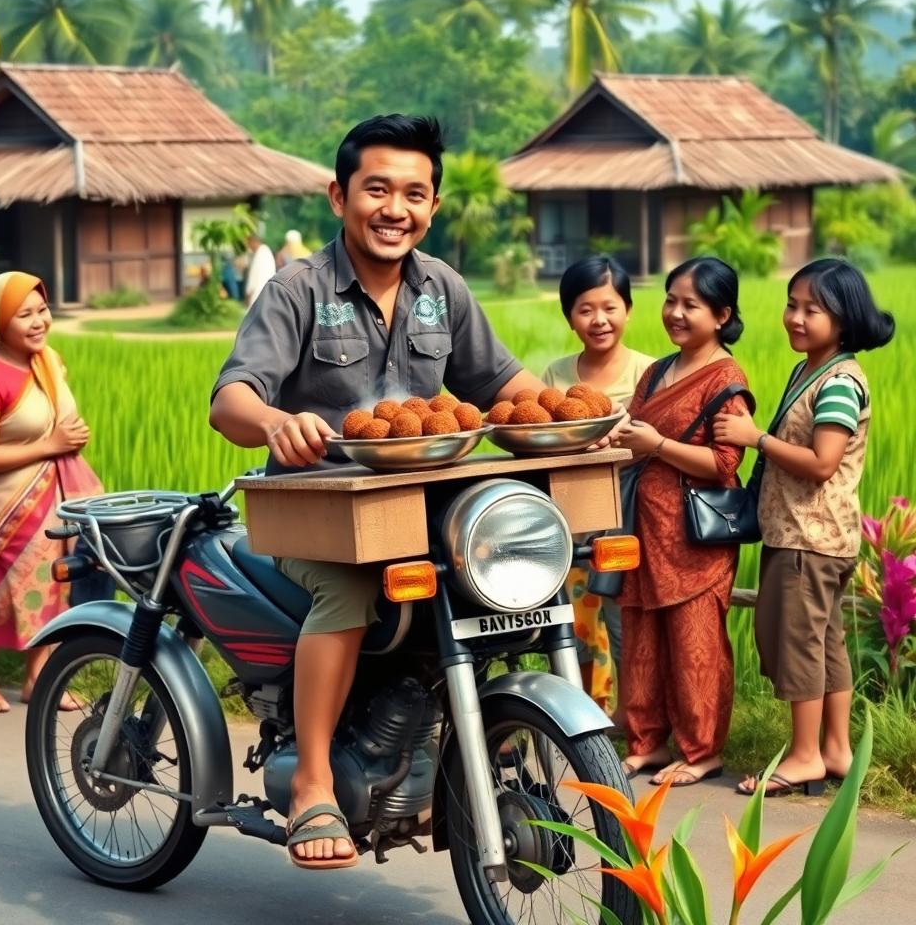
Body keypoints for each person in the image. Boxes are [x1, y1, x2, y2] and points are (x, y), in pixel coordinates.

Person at [209, 114, 546, 868]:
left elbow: (503, 384)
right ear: (339, 196)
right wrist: (272, 421)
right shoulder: (298, 291)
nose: (397, 208)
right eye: (378, 189)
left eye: (415, 193)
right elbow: (229, 399)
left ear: (433, 206)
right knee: (352, 594)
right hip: (313, 519)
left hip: (419, 516)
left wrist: (572, 415)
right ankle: (315, 786)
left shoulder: (442, 290)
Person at [714, 259, 894, 797]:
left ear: (843, 319)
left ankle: (803, 755)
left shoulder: (838, 381)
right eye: (792, 304)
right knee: (825, 644)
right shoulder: (812, 369)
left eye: (811, 309)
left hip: (807, 540)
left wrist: (753, 438)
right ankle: (835, 749)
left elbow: (821, 461)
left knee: (797, 645)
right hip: (818, 538)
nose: (795, 317)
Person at [0, 271, 103, 713]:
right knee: (2, 587)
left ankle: (36, 678)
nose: (37, 321)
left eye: (41, 310)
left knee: (53, 585)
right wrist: (51, 444)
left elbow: (56, 425)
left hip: (57, 499)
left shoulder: (49, 362)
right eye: (23, 314)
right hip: (10, 503)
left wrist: (70, 440)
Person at [615, 256, 750, 786]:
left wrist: (658, 445)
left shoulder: (727, 380)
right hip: (646, 525)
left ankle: (702, 751)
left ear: (721, 314)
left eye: (690, 304)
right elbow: (634, 438)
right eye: (670, 300)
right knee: (643, 634)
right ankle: (646, 741)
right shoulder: (656, 371)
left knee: (697, 640)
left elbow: (723, 463)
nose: (674, 312)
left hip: (697, 532)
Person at [543, 256, 654, 706]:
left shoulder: (650, 372)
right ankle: (582, 710)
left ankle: (633, 716)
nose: (599, 320)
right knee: (575, 620)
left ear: (627, 309)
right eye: (585, 309)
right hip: (573, 517)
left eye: (610, 307)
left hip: (629, 516)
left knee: (625, 618)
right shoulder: (556, 375)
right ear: (569, 316)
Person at [243, 234, 276, 308]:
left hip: (258, 292)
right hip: (265, 292)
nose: (248, 247)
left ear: (254, 242)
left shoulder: (261, 254)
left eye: (249, 243)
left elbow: (254, 276)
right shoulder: (264, 251)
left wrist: (248, 293)